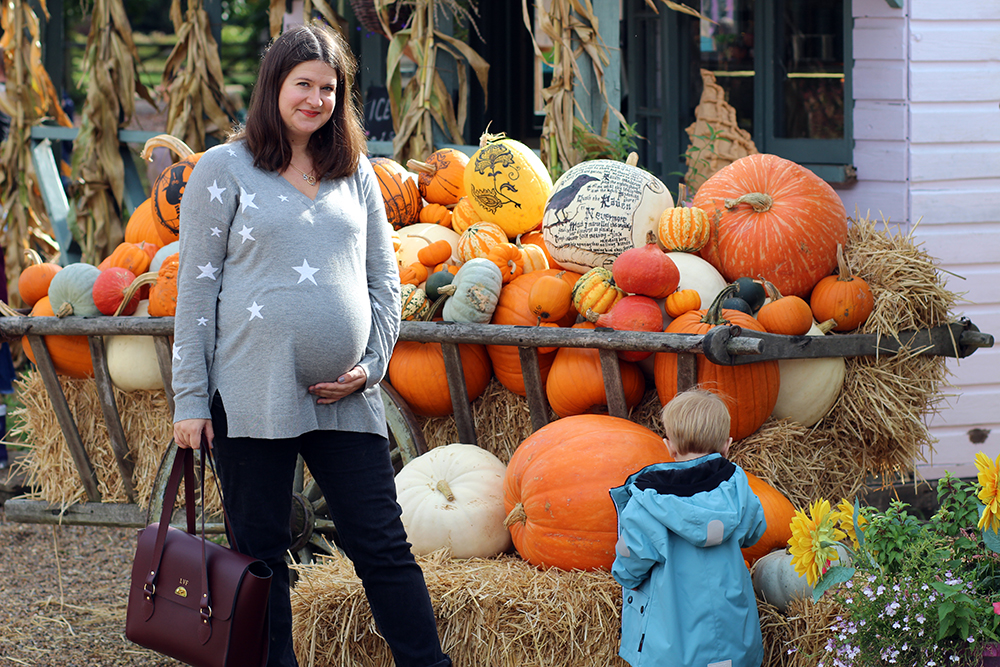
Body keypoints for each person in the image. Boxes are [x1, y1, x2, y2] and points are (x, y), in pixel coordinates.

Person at [170, 23, 451, 667]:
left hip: (346, 398)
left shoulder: (355, 173)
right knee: (262, 554)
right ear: (274, 87)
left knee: (381, 543)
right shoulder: (223, 169)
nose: (316, 98)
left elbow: (386, 279)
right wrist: (190, 398)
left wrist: (371, 365)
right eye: (304, 84)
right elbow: (194, 293)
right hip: (249, 394)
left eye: (329, 88)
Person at [610, 388, 767, 667]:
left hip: (672, 648)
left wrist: (624, 575)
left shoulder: (646, 502)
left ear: (669, 446)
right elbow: (755, 531)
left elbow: (631, 560)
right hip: (734, 642)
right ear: (727, 446)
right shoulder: (737, 488)